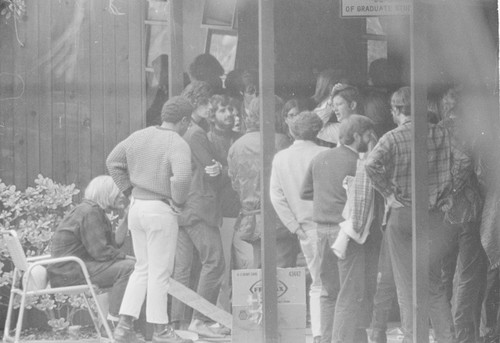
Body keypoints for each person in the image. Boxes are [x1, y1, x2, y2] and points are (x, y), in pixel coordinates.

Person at [364, 86, 472, 343]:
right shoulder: (442, 134)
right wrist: (449, 190)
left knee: (406, 286)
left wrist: (388, 194)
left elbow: (370, 164)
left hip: (403, 214)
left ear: (398, 110)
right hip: (433, 215)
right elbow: (464, 161)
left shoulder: (391, 138)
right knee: (434, 286)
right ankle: (448, 339)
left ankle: (415, 339)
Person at [106, 96, 193, 343]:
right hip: (160, 209)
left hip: (137, 207)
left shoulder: (139, 135)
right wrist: (178, 201)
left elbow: (112, 161)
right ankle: (161, 331)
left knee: (142, 268)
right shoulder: (177, 142)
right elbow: (183, 177)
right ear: (184, 120)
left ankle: (124, 327)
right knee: (160, 272)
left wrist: (129, 190)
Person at [300, 115, 375, 343]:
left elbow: (304, 193)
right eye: (367, 135)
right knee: (348, 294)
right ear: (356, 136)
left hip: (321, 231)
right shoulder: (359, 163)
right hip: (345, 233)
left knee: (328, 291)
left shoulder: (320, 157)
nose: (370, 139)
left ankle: (326, 339)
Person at [171, 81, 227, 339]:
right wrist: (221, 170)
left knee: (182, 269)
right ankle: (200, 320)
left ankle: (178, 324)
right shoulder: (196, 134)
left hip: (181, 207)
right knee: (214, 262)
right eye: (205, 102)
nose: (209, 107)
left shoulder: (179, 131)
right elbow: (211, 170)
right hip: (199, 206)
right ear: (194, 103)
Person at [270, 111, 329, 343]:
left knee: (318, 283)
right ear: (318, 131)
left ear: (292, 131)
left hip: (305, 227)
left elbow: (276, 196)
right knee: (336, 282)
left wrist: (293, 226)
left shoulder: (281, 158)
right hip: (332, 224)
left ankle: (318, 333)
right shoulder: (326, 153)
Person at [47, 175, 135, 329]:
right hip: (70, 272)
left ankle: (106, 327)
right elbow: (101, 253)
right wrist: (130, 259)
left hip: (70, 270)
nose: (123, 195)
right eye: (118, 192)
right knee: (129, 268)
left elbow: (114, 245)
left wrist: (127, 219)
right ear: (105, 193)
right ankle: (114, 323)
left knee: (128, 266)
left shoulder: (92, 210)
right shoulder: (90, 212)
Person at [228, 96, 299, 269]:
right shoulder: (282, 142)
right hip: (280, 217)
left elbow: (235, 184)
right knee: (284, 273)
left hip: (251, 218)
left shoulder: (237, 146)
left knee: (259, 268)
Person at [206, 94, 252, 312]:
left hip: (243, 209)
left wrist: (223, 170)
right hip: (221, 211)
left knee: (249, 263)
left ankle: (247, 313)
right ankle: (222, 315)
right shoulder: (206, 139)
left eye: (231, 110)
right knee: (222, 269)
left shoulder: (241, 138)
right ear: (212, 114)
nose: (229, 114)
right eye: (223, 110)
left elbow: (244, 170)